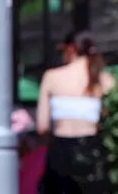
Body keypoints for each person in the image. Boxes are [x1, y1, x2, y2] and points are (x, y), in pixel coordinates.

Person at [36, 31, 113, 193]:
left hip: (60, 151)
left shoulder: (52, 77)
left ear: (71, 49)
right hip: (92, 151)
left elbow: (42, 126)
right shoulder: (104, 80)